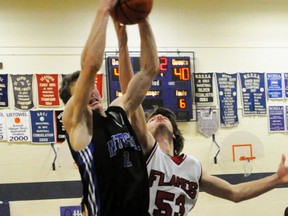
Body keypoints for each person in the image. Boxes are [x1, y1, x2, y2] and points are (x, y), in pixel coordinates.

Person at [117, 36, 288, 216]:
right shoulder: (146, 151)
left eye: (165, 117)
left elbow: (234, 192)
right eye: (151, 119)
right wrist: (123, 46)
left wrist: (276, 179)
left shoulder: (192, 166)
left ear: (175, 134)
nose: (159, 116)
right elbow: (131, 94)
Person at [58, 0, 159, 215]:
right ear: (72, 102)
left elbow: (150, 70)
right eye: (83, 91)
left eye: (92, 87)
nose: (91, 93)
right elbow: (91, 65)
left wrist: (142, 19)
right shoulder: (77, 124)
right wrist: (103, 10)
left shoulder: (119, 113)